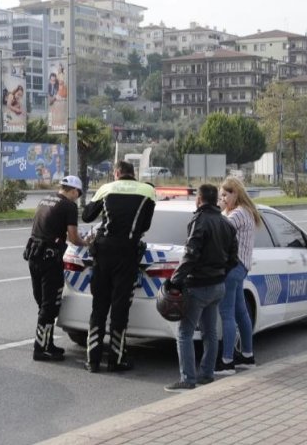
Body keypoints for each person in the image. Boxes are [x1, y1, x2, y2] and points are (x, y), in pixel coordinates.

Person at [80, 160, 157, 373]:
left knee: (99, 306)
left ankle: (92, 360)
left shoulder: (106, 188)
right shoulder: (147, 191)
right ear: (134, 174)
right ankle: (116, 359)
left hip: (103, 252)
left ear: (116, 173)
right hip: (127, 253)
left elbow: (87, 216)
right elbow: (146, 225)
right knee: (120, 308)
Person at [163, 183, 238, 392]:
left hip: (198, 286)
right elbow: (234, 259)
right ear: (216, 200)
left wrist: (175, 280)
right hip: (217, 286)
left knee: (184, 333)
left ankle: (187, 379)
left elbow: (190, 255)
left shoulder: (199, 221)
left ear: (199, 199)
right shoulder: (226, 224)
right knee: (210, 332)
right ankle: (207, 374)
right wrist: (221, 273)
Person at [25, 175, 85, 361]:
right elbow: (74, 238)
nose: (77, 197)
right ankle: (40, 349)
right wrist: (87, 243)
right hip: (50, 259)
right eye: (78, 194)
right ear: (73, 191)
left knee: (42, 303)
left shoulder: (45, 200)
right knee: (49, 305)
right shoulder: (69, 206)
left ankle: (47, 343)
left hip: (34, 256)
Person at [216, 176, 262, 374]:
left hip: (232, 268)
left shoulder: (238, 214)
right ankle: (247, 355)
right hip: (241, 267)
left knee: (227, 314)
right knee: (240, 312)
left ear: (235, 194)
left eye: (226, 194)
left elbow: (220, 229)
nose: (223, 198)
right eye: (221, 195)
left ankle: (227, 361)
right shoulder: (246, 211)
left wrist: (216, 210)